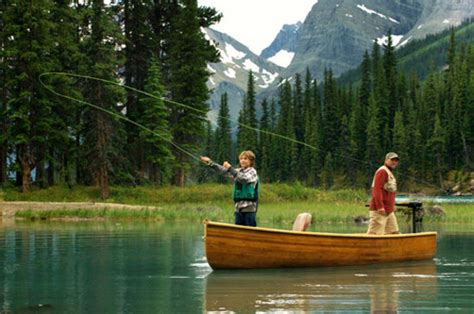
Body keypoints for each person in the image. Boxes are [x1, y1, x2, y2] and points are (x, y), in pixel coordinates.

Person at [200, 150, 259, 227]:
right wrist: (210, 162)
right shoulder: (238, 171)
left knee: (250, 233)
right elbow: (223, 171)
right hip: (238, 209)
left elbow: (244, 179)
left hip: (250, 209)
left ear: (251, 161)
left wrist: (230, 168)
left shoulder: (252, 171)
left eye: (245, 158)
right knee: (238, 233)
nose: (242, 160)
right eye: (241, 159)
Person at [367, 152, 401, 235]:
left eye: (396, 160)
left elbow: (389, 193)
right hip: (379, 211)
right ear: (386, 160)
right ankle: (366, 248)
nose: (394, 162)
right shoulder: (382, 171)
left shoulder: (389, 173)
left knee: (394, 233)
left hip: (389, 211)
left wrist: (391, 206)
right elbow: (377, 190)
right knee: (374, 235)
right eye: (392, 160)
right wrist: (380, 207)